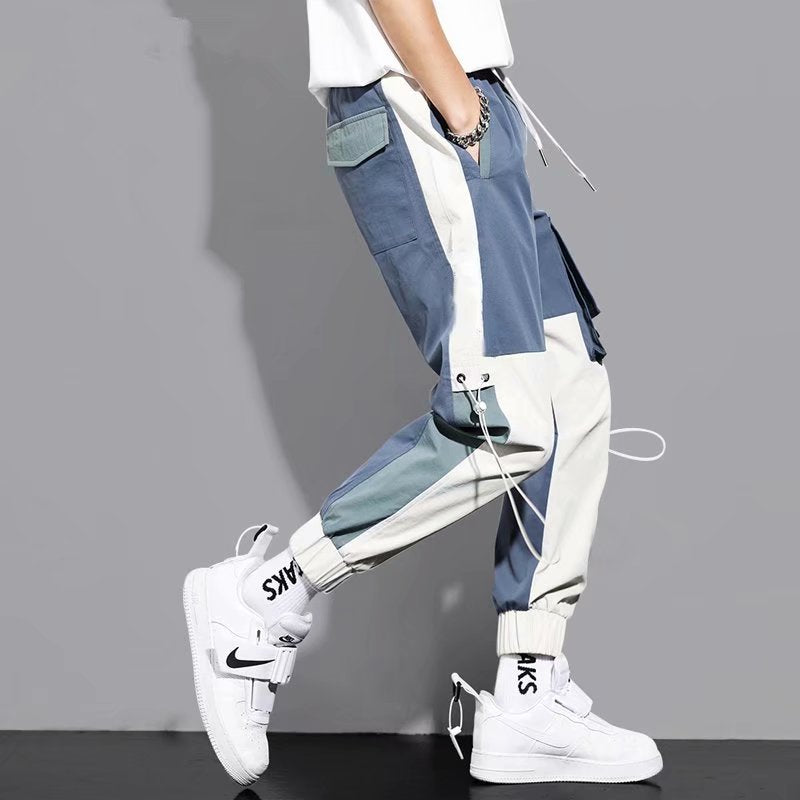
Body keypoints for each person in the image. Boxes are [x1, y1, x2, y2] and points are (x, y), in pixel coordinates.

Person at [183, 0, 663, 786]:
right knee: (499, 420)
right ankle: (266, 592)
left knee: (568, 383)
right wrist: (460, 108)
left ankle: (530, 691)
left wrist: (476, 109)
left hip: (466, 98)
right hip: (423, 97)